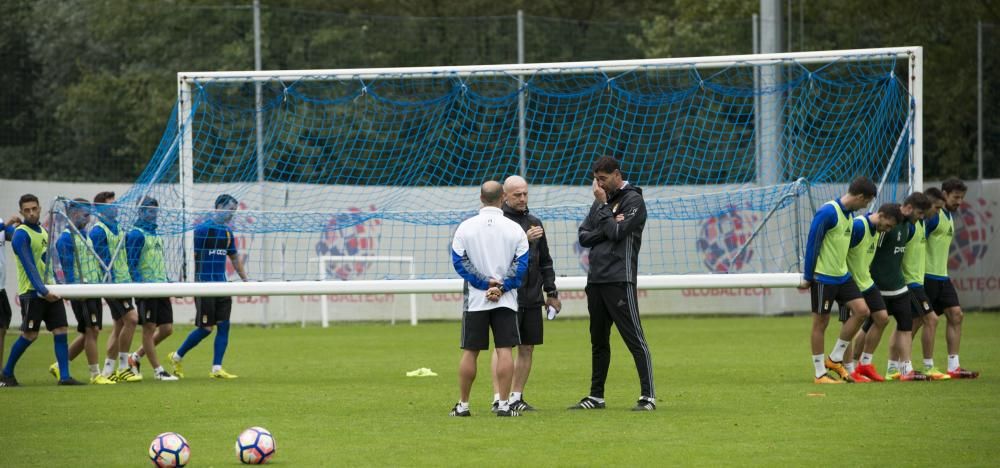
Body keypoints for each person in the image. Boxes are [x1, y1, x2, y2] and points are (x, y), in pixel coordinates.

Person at [570, 156, 656, 411]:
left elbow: (618, 233)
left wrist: (606, 214)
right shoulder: (600, 203)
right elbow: (584, 236)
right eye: (596, 179)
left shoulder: (633, 201)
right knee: (598, 341)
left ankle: (648, 396)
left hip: (620, 280)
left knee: (634, 338)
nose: (598, 184)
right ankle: (596, 396)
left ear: (617, 175)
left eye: (603, 179)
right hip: (596, 280)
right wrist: (607, 224)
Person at [448, 181, 529, 417]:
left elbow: (459, 262)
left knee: (470, 351)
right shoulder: (515, 229)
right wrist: (501, 287)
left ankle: (463, 405)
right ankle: (504, 405)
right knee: (504, 350)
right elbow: (521, 265)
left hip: (475, 300)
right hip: (505, 300)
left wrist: (485, 283)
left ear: (481, 198)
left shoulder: (465, 227)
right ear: (503, 197)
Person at [488, 175, 561, 413]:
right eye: (517, 194)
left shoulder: (534, 221)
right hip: (508, 294)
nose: (522, 198)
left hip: (531, 296)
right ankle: (499, 398)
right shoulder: (499, 224)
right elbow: (497, 260)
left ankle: (516, 396)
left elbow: (545, 261)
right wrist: (524, 241)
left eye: (525, 194)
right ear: (504, 197)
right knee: (503, 346)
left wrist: (551, 292)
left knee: (527, 347)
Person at [798, 176, 876, 384]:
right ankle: (819, 374)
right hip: (824, 277)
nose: (865, 207)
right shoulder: (828, 212)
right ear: (860, 197)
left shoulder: (850, 217)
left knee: (862, 311)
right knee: (821, 323)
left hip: (843, 277)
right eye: (866, 202)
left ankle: (834, 359)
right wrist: (808, 276)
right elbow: (813, 243)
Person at [1, 194, 83, 387]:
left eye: (34, 209)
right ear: (21, 212)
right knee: (30, 334)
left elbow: (47, 263)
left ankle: (64, 377)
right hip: (32, 293)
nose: (31, 213)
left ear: (39, 209)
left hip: (48, 290)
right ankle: (6, 373)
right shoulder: (21, 234)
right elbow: (29, 266)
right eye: (26, 210)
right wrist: (43, 290)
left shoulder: (44, 232)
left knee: (61, 329)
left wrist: (57, 285)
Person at [167, 194, 248, 379]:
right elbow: (188, 258)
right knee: (206, 328)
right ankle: (177, 356)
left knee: (224, 326)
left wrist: (246, 281)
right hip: (204, 286)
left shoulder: (227, 232)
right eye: (229, 209)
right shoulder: (201, 230)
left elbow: (234, 258)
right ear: (218, 206)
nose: (231, 214)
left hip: (223, 286)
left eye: (234, 211)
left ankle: (217, 368)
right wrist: (182, 283)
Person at [855, 192, 933, 381]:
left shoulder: (909, 227)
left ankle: (906, 369)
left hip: (899, 287)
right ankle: (853, 365)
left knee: (906, 326)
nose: (922, 218)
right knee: (868, 326)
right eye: (920, 213)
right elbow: (870, 253)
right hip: (877, 287)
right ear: (908, 208)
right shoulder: (885, 225)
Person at [49, 198, 116, 385]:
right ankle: (95, 374)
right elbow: (68, 270)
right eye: (84, 213)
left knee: (90, 332)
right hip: (82, 293)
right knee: (91, 330)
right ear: (73, 213)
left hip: (93, 289)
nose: (88, 217)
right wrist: (75, 292)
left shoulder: (84, 234)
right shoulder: (65, 239)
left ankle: (58, 365)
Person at [922, 178, 978, 379]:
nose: (959, 201)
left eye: (962, 197)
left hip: (942, 278)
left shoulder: (948, 216)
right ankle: (902, 365)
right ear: (944, 194)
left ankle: (954, 366)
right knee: (915, 323)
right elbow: (917, 242)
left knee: (956, 315)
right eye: (956, 197)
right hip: (926, 276)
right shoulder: (933, 217)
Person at [841, 203, 903, 382]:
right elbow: (841, 252)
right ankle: (848, 368)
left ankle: (865, 364)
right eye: (889, 225)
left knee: (882, 318)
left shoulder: (877, 229)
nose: (889, 230)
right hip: (849, 283)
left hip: (867, 282)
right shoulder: (859, 226)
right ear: (881, 215)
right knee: (848, 324)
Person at [125, 197, 179, 381]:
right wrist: (141, 285)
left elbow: (158, 262)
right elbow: (131, 263)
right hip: (147, 289)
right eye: (148, 210)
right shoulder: (136, 234)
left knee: (167, 329)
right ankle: (158, 371)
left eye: (155, 211)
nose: (153, 214)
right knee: (148, 328)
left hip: (160, 287)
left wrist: (167, 281)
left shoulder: (156, 235)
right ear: (140, 212)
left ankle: (135, 357)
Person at [90, 191, 141, 382]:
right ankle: (123, 366)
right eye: (111, 205)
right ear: (101, 209)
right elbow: (103, 260)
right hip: (112, 285)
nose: (116, 207)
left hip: (124, 281)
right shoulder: (98, 231)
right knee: (132, 319)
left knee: (120, 324)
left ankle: (108, 370)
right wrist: (111, 282)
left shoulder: (119, 228)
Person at [903, 187, 950, 380]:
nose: (937, 213)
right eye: (936, 209)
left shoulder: (921, 223)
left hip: (918, 281)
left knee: (907, 325)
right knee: (929, 319)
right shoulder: (909, 226)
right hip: (910, 282)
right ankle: (923, 366)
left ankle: (895, 366)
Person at [1, 213, 21, 370]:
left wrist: (20, 228)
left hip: (1, 287)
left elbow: (11, 236)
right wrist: (8, 222)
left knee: (2, 330)